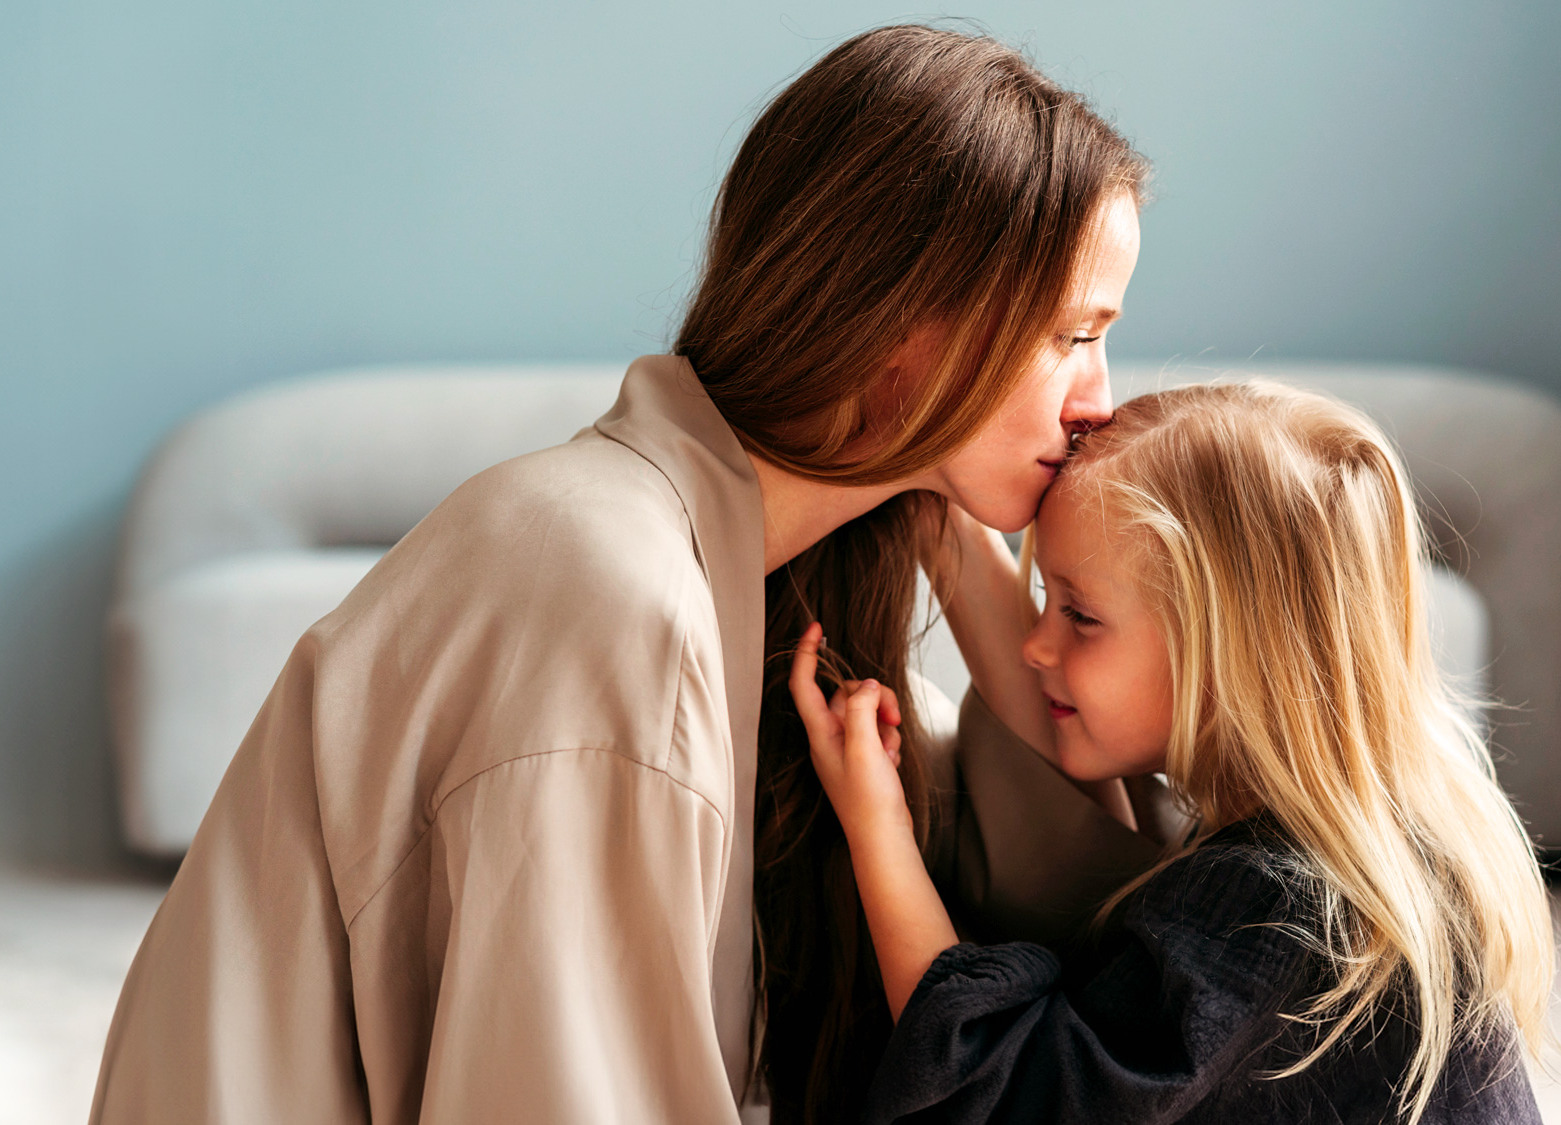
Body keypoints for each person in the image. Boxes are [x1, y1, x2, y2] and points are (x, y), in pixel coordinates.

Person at [91, 25, 1150, 1124]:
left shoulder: (782, 593)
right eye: (1073, 334)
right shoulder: (605, 585)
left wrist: (942, 506)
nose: (1098, 401)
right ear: (902, 318)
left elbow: (1083, 954)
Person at [790, 381, 1557, 1124]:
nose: (1035, 643)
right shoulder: (1378, 848)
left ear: (1231, 659)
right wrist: (942, 513)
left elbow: (1001, 1097)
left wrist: (877, 828)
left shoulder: (1269, 911)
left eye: (1080, 616)